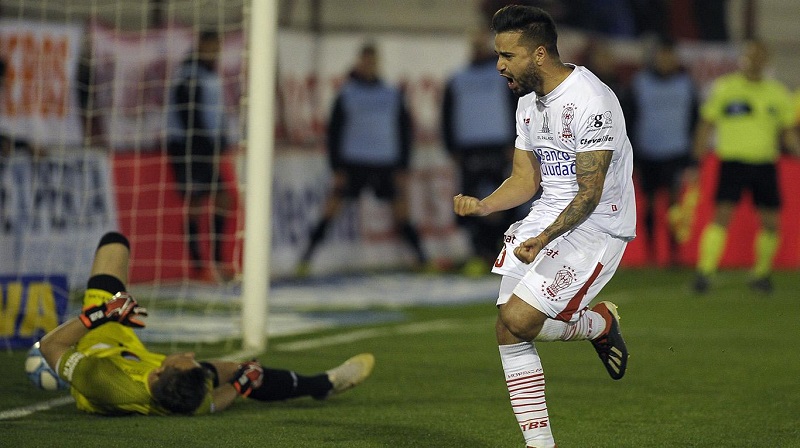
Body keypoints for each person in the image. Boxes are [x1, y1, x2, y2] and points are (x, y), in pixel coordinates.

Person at [453, 6, 635, 447]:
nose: (499, 65)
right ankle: (541, 444)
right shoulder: (528, 103)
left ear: (538, 54)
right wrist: (485, 206)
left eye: (507, 56)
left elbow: (589, 193)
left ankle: (595, 324)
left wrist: (543, 237)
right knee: (509, 328)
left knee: (518, 318)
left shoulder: (591, 101)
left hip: (596, 226)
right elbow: (525, 179)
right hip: (544, 218)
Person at [37, 231, 375, 416]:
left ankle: (50, 369)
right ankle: (324, 384)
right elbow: (212, 403)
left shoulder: (102, 382)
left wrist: (102, 314)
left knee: (114, 242)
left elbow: (53, 345)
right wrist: (240, 385)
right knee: (237, 368)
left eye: (182, 360)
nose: (188, 351)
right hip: (132, 355)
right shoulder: (185, 397)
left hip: (98, 343)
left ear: (158, 373)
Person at [296, 44, 428, 276]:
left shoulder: (391, 94)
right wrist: (336, 166)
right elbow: (334, 132)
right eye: (365, 61)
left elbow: (404, 130)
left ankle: (422, 260)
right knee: (331, 209)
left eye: (372, 61)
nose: (368, 66)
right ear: (359, 62)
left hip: (385, 162)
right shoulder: (346, 93)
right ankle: (305, 259)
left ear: (378, 63)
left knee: (401, 212)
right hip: (353, 161)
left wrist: (403, 165)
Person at [692, 40, 800, 294]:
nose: (755, 60)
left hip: (765, 163)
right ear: (743, 58)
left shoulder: (778, 93)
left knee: (771, 221)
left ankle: (761, 274)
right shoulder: (726, 88)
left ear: (767, 60)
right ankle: (704, 272)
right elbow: (707, 123)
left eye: (760, 56)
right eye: (751, 55)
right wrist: (696, 159)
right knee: (721, 216)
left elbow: (787, 132)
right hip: (733, 162)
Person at [442, 28, 518, 277]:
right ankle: (478, 253)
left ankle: (499, 250)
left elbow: (516, 107)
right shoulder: (458, 79)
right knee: (470, 202)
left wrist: (516, 143)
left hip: (498, 146)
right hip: (469, 149)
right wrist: (452, 148)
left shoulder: (503, 75)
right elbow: (447, 115)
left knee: (503, 202)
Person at [166, 30, 234, 282]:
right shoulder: (188, 73)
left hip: (207, 146)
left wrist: (222, 138)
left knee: (223, 198)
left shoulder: (210, 72)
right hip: (188, 147)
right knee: (196, 202)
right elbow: (188, 112)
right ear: (201, 45)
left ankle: (217, 261)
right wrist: (205, 141)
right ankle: (199, 265)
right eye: (211, 46)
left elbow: (215, 111)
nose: (214, 51)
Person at [628, 37, 699, 265]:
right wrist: (632, 155)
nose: (666, 61)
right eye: (662, 56)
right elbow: (629, 119)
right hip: (647, 152)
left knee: (673, 205)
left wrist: (692, 158)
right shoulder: (639, 83)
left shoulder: (686, 84)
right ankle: (650, 253)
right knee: (648, 204)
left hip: (676, 152)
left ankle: (674, 253)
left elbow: (695, 121)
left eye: (670, 56)